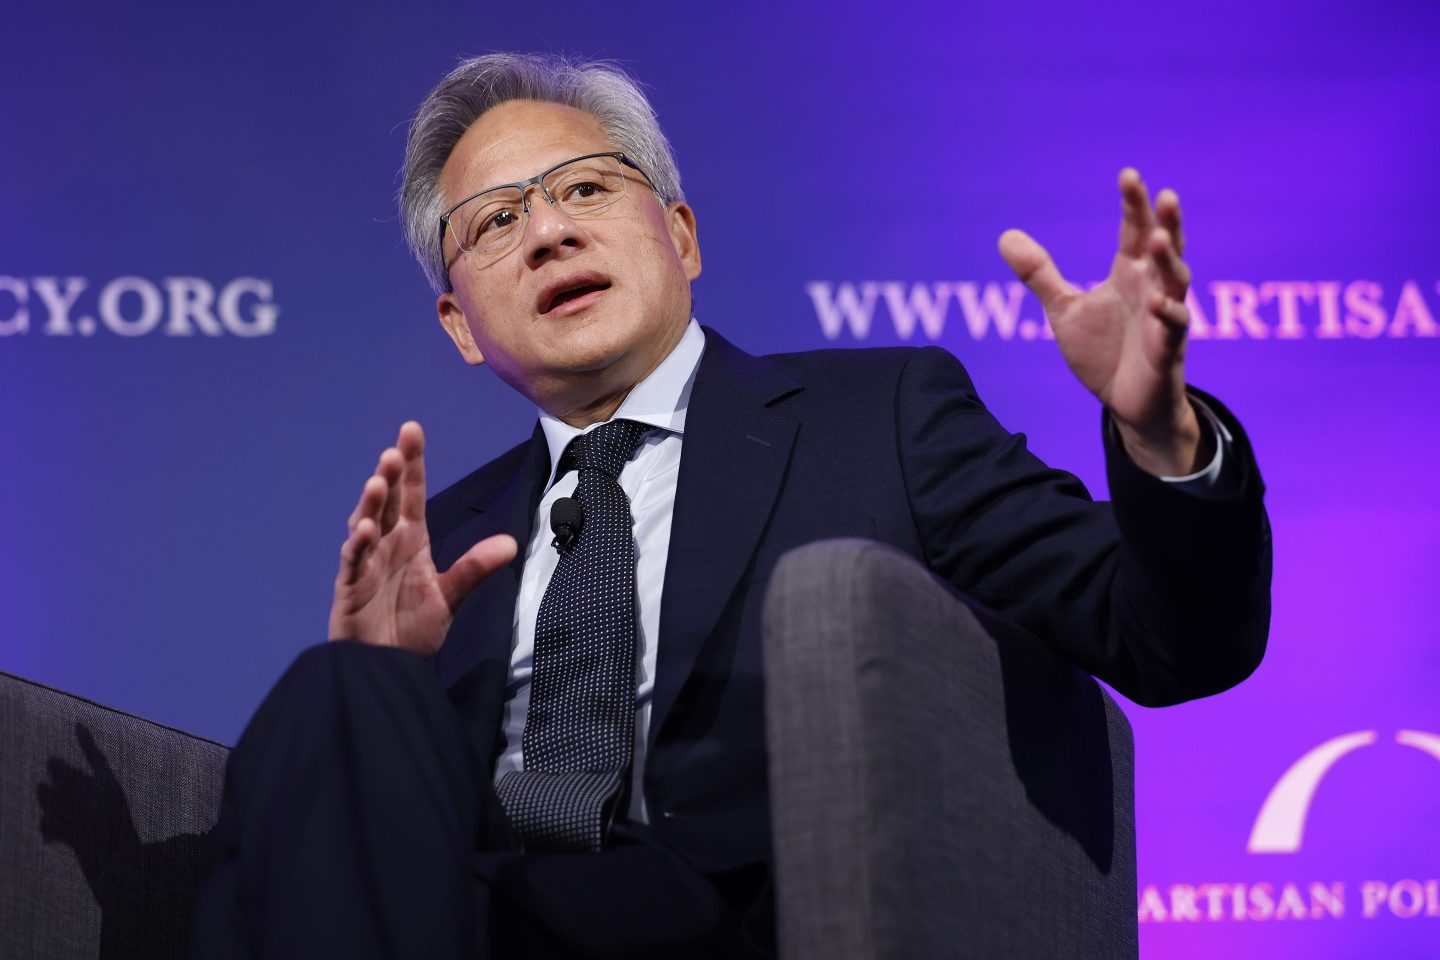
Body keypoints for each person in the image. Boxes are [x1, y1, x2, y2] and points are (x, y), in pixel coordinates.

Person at [190, 53, 1270, 959]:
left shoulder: (881, 417)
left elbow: (1170, 637)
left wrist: (1161, 435)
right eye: (498, 221)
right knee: (334, 697)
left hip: (739, 921)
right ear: (461, 326)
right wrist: (389, 683)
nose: (548, 234)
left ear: (682, 236)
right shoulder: (446, 543)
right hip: (474, 922)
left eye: (584, 190)